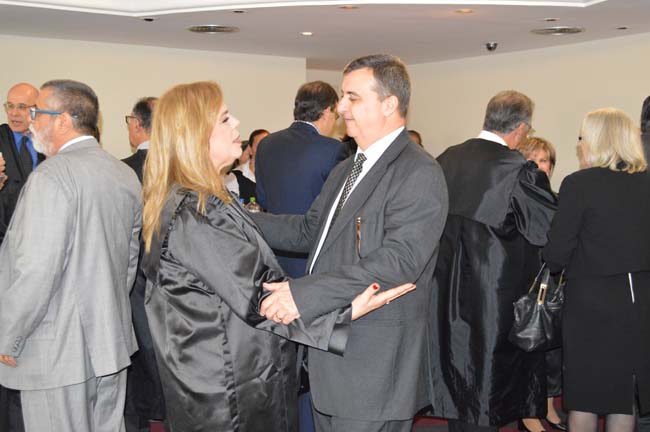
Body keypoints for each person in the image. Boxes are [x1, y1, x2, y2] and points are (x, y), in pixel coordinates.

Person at [139, 80, 414, 432]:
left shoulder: (202, 200)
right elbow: (259, 297)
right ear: (195, 134)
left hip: (229, 372)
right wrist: (345, 313)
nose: (237, 123)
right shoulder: (197, 211)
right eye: (224, 118)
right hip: (228, 388)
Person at [253, 54, 449, 432]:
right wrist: (233, 215)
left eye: (353, 98)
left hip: (372, 370)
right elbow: (309, 231)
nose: (341, 108)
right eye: (342, 97)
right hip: (331, 357)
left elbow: (399, 261)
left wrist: (302, 295)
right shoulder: (348, 167)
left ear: (389, 104)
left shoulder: (419, 171)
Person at [0, 79, 142, 432]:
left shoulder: (50, 176)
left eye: (37, 113)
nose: (30, 121)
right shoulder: (123, 174)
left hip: (55, 350)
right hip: (109, 343)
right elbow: (127, 264)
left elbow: (35, 270)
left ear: (62, 120)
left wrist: (10, 335)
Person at [430, 90, 557, 432]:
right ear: (521, 128)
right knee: (487, 393)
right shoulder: (518, 171)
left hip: (444, 295)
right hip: (494, 299)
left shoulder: (445, 160)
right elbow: (548, 233)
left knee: (457, 385)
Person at [543, 107, 650, 432]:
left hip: (591, 305)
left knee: (585, 396)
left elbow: (557, 253)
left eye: (582, 137)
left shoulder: (579, 184)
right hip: (640, 303)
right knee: (623, 397)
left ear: (597, 139)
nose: (580, 144)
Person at [255, 80, 346, 432]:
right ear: (328, 111)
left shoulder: (267, 145)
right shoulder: (334, 150)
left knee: (282, 357)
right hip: (316, 265)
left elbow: (264, 199)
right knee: (315, 359)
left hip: (275, 261)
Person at [0, 82, 43, 432]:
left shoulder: (47, 142)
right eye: (9, 106)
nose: (15, 114)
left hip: (37, 253)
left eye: (22, 107)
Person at [121, 97, 166, 432]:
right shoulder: (182, 169)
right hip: (177, 279)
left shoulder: (120, 171)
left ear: (137, 124)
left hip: (133, 277)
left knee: (138, 358)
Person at [517, 136, 565, 432]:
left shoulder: (562, 200)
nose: (538, 165)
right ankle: (528, 414)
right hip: (525, 285)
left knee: (554, 351)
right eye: (532, 159)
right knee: (530, 350)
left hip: (556, 285)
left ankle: (548, 406)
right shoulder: (515, 201)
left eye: (544, 160)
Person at [226, 129, 268, 203]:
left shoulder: (278, 175)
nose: (265, 150)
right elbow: (230, 207)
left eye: (268, 146)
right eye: (260, 146)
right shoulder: (234, 177)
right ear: (250, 150)